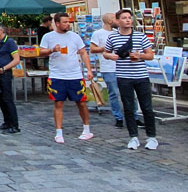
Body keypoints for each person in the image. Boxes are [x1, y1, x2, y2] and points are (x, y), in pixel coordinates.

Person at [102, 9, 156, 149]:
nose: (127, 20)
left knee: (147, 108)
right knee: (128, 108)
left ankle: (152, 137)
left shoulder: (140, 36)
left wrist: (140, 56)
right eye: (124, 18)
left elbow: (150, 55)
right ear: (118, 21)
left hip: (141, 76)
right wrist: (110, 56)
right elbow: (105, 53)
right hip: (123, 77)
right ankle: (133, 137)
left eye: (129, 18)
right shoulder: (113, 37)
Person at [39, 13, 94, 143]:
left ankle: (86, 129)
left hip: (75, 75)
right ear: (57, 23)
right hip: (57, 75)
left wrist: (89, 69)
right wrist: (52, 50)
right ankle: (59, 132)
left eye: (68, 22)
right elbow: (41, 52)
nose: (67, 24)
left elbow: (83, 52)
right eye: (64, 22)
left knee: (81, 102)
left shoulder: (74, 36)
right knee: (58, 103)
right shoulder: (48, 36)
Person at [89, 12, 126, 128]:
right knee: (114, 93)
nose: (118, 21)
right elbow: (92, 49)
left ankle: (133, 116)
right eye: (116, 19)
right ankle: (118, 117)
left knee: (129, 93)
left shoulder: (118, 33)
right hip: (108, 67)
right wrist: (106, 48)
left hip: (123, 66)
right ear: (110, 21)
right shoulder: (98, 33)